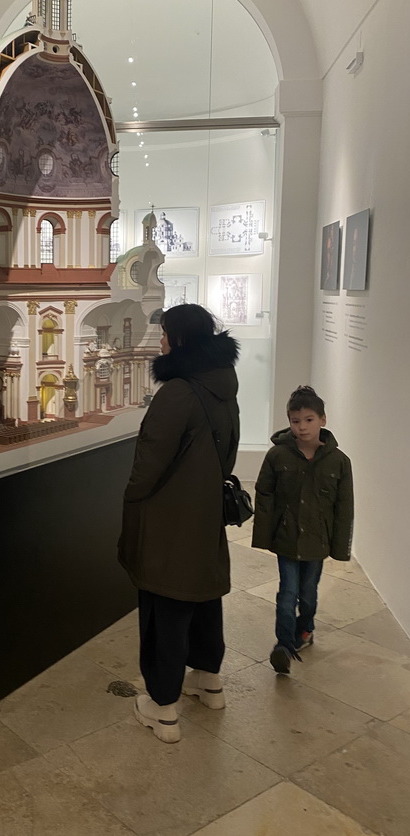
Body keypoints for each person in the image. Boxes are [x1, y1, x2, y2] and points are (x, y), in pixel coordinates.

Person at [118, 304, 240, 743]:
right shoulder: (223, 385)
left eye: (166, 334)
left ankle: (162, 706)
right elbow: (228, 453)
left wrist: (132, 496)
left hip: (169, 516)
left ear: (181, 338)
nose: (162, 342)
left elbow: (150, 461)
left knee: (165, 605)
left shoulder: (178, 392)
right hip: (205, 511)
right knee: (204, 595)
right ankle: (209, 682)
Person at [252, 385, 354, 674]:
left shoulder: (339, 462)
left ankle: (305, 628)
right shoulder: (278, 456)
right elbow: (265, 494)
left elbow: (344, 509)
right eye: (295, 421)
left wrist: (340, 548)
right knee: (287, 593)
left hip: (317, 542)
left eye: (309, 420)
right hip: (287, 539)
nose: (302, 427)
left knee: (307, 594)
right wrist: (264, 536)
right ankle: (283, 645)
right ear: (289, 421)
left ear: (323, 419)